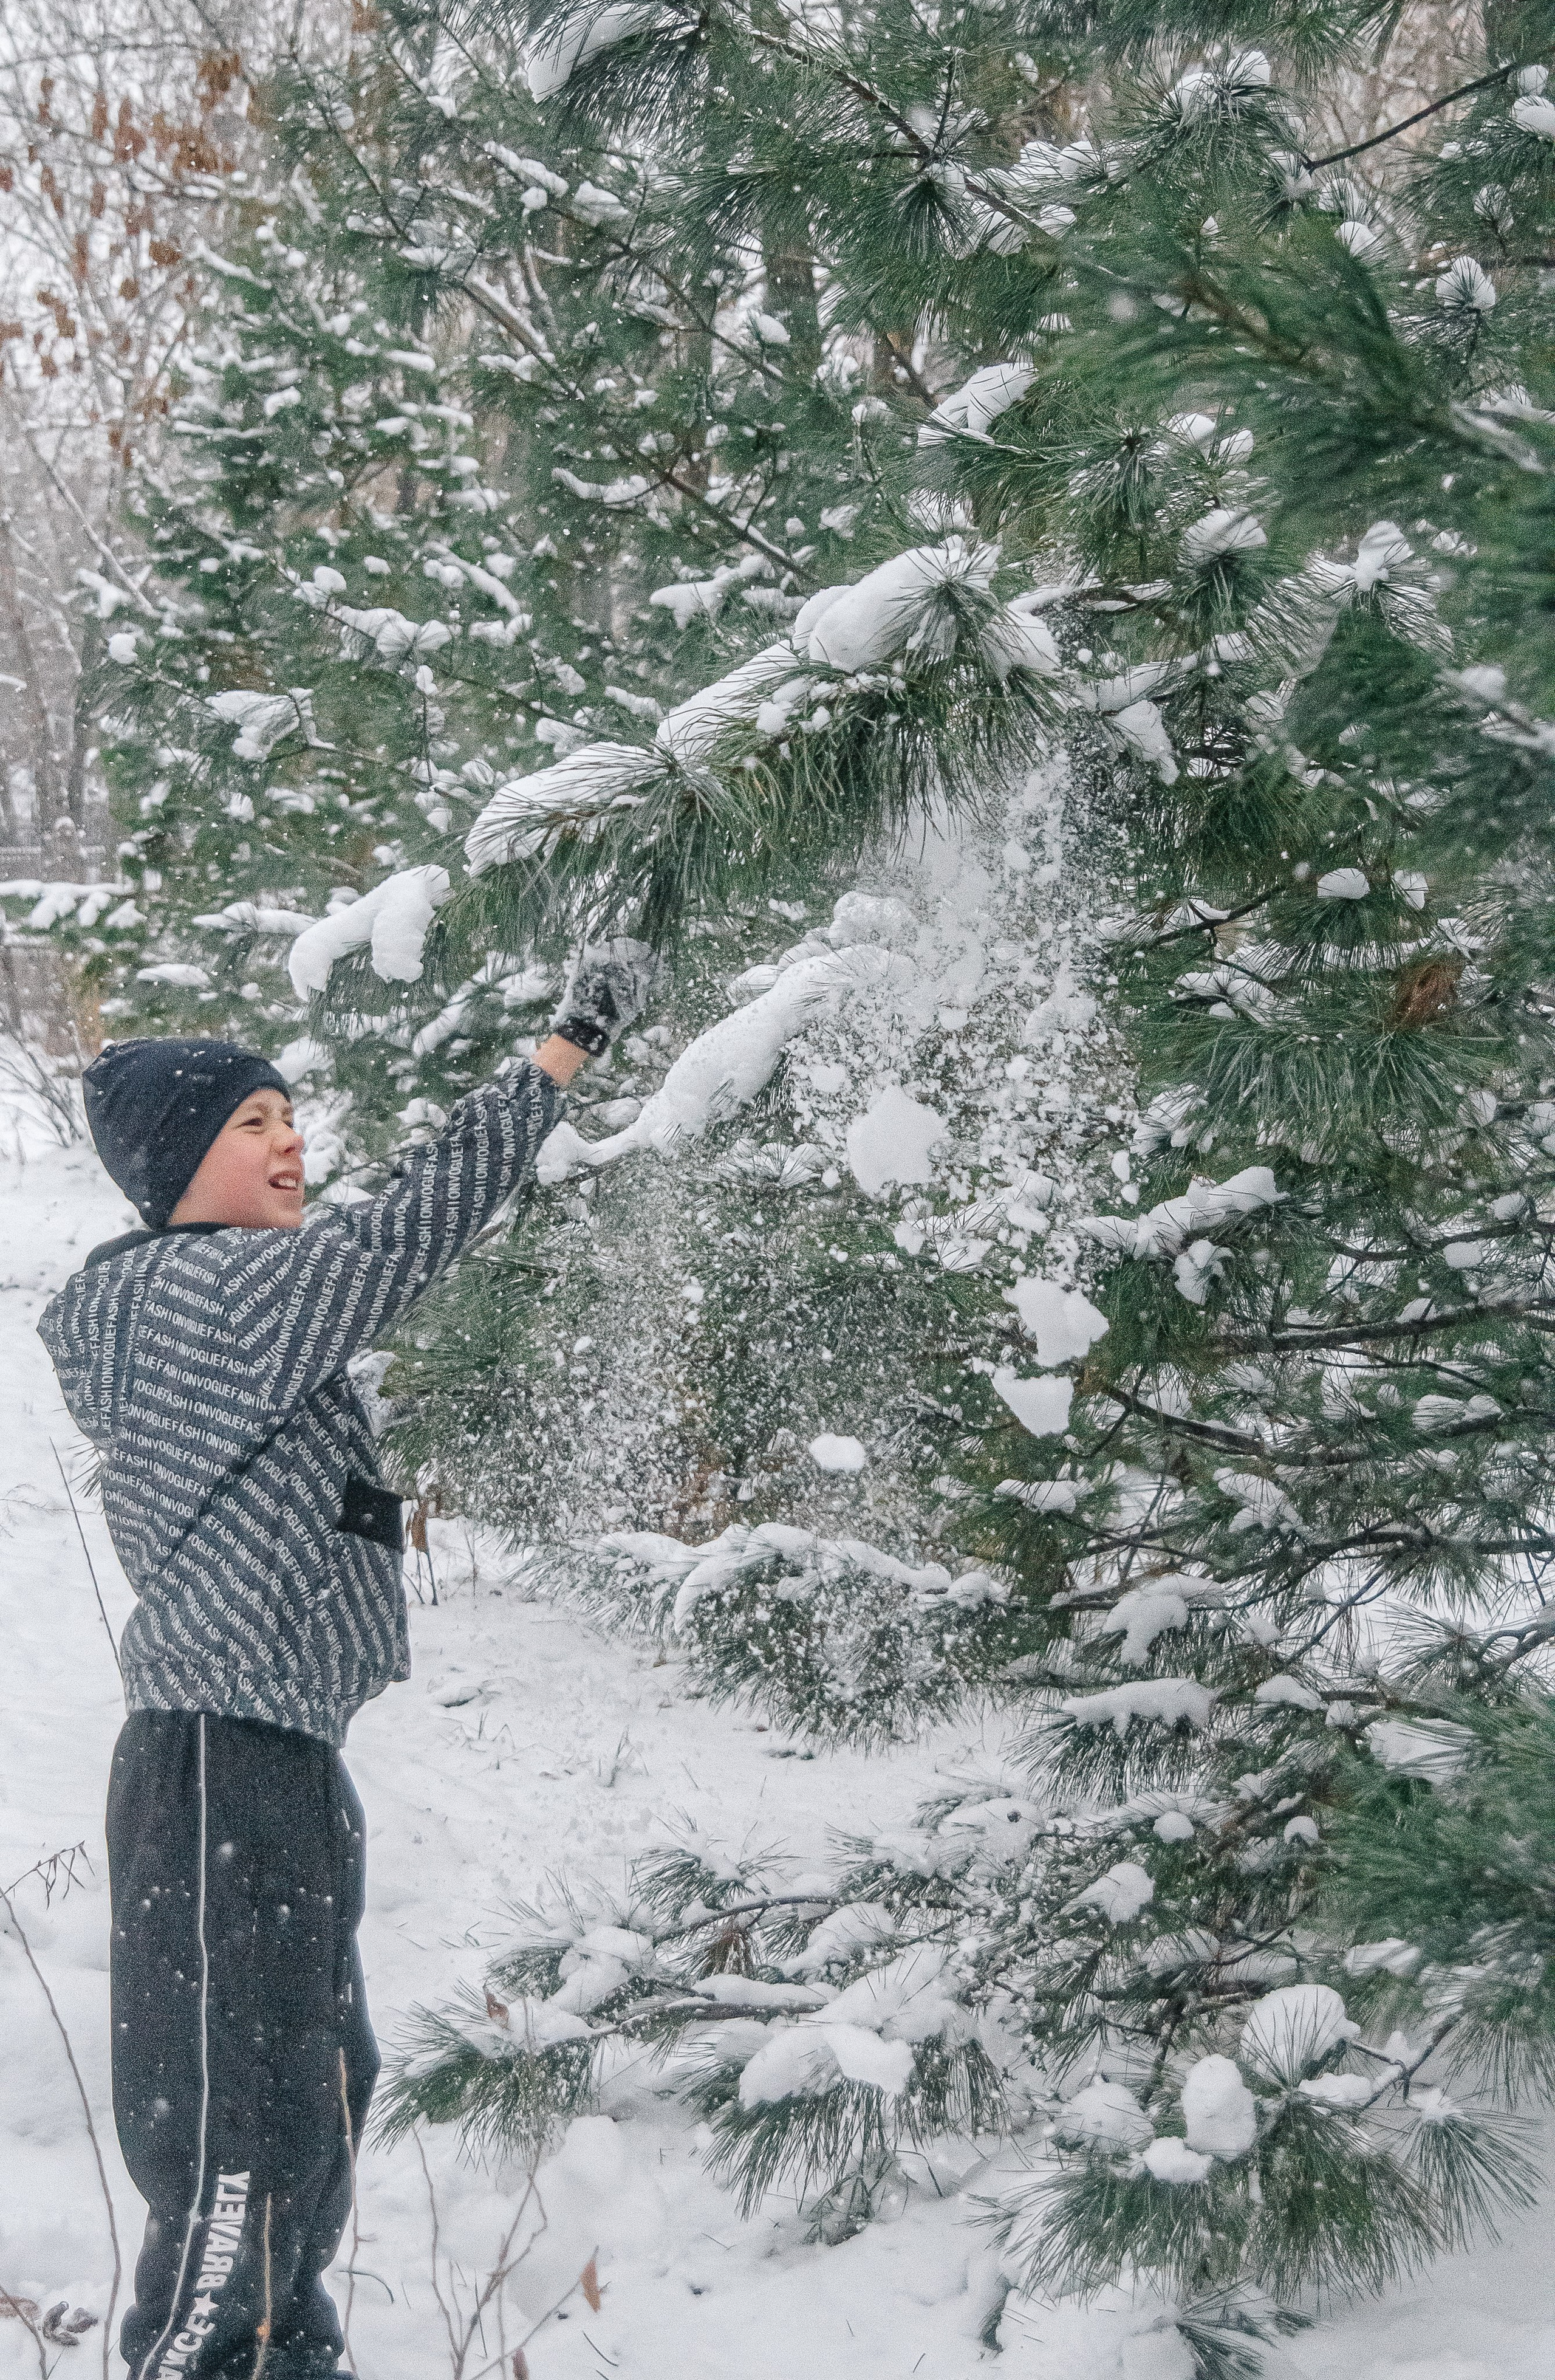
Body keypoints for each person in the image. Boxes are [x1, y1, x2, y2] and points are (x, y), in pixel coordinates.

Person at [38, 943, 658, 2380]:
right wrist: (562, 1050)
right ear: (176, 1164)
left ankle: (284, 2357)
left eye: (289, 1114)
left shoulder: (224, 1309)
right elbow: (409, 1231)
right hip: (220, 1761)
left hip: (268, 1754)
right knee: (243, 2133)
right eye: (250, 1124)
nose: (290, 1139)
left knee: (312, 2098)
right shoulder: (211, 1298)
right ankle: (215, 2363)